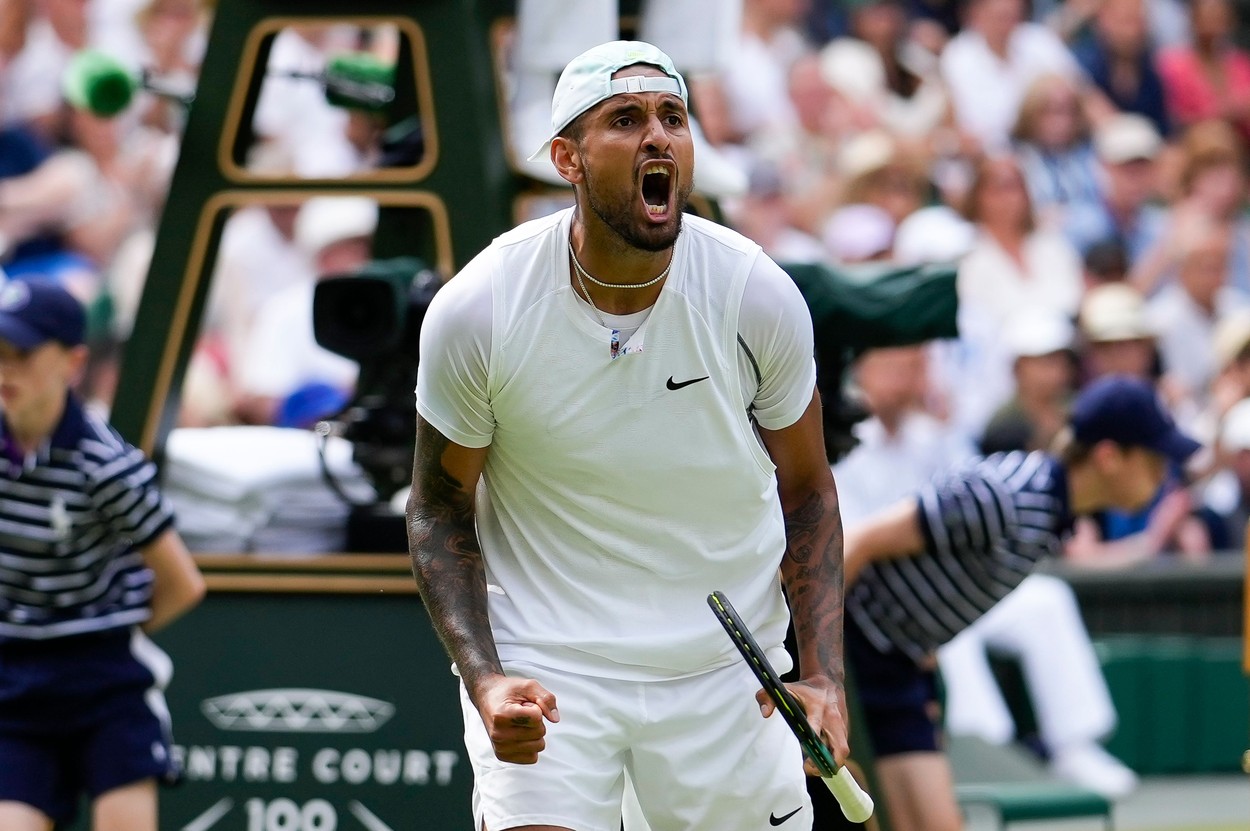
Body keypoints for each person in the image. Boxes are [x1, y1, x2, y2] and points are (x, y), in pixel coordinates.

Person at [406, 40, 849, 831]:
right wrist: (484, 678)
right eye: (626, 118)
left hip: (725, 670)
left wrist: (822, 675)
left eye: (673, 117)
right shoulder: (482, 307)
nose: (658, 136)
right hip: (552, 666)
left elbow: (808, 489)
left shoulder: (757, 297)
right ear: (566, 159)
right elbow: (439, 506)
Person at [842, 374, 1200, 830]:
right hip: (854, 656)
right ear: (1109, 456)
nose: (1163, 477)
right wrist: (825, 669)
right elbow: (856, 543)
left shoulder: (1049, 512)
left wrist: (922, 648)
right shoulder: (1007, 496)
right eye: (1154, 461)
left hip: (899, 666)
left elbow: (933, 575)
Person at [0, 280, 206, 831]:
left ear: (73, 362)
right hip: (15, 689)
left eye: (20, 354)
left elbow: (182, 582)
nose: (5, 371)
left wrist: (114, 634)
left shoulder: (106, 467)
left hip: (106, 685)